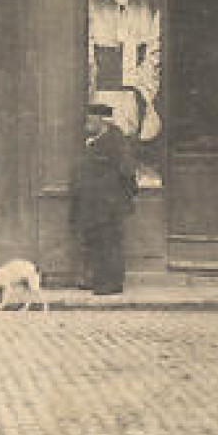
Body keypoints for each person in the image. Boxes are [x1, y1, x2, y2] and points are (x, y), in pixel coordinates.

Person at [72, 102, 137, 295]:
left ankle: (113, 283)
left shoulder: (116, 141)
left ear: (102, 120)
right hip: (94, 204)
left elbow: (127, 172)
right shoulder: (95, 140)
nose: (87, 124)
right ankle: (99, 280)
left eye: (90, 120)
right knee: (97, 242)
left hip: (109, 204)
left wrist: (118, 198)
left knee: (110, 243)